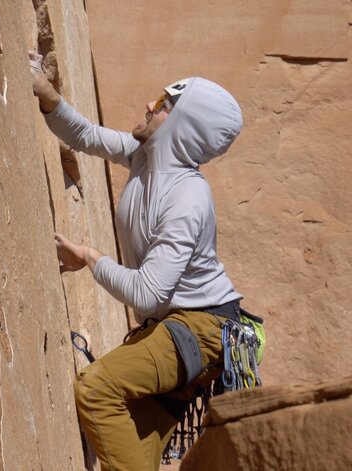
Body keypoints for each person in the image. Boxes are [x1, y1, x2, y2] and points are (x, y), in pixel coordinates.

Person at [30, 51, 246, 470]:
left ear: (182, 126)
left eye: (164, 105)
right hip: (177, 328)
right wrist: (45, 92)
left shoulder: (187, 198)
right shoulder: (145, 156)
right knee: (137, 453)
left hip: (201, 327)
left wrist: (91, 258)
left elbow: (148, 294)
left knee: (96, 391)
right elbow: (86, 136)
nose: (150, 105)